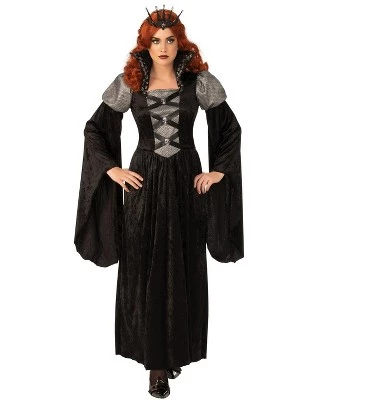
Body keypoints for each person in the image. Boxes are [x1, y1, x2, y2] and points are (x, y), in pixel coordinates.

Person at [74, 6, 244, 398]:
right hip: (144, 182)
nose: (163, 47)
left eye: (170, 40)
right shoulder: (129, 82)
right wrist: (111, 169)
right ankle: (155, 366)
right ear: (145, 44)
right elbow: (94, 129)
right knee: (144, 264)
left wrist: (218, 171)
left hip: (186, 182)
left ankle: (174, 352)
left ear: (180, 42)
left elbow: (230, 129)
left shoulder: (200, 82)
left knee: (182, 262)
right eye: (155, 40)